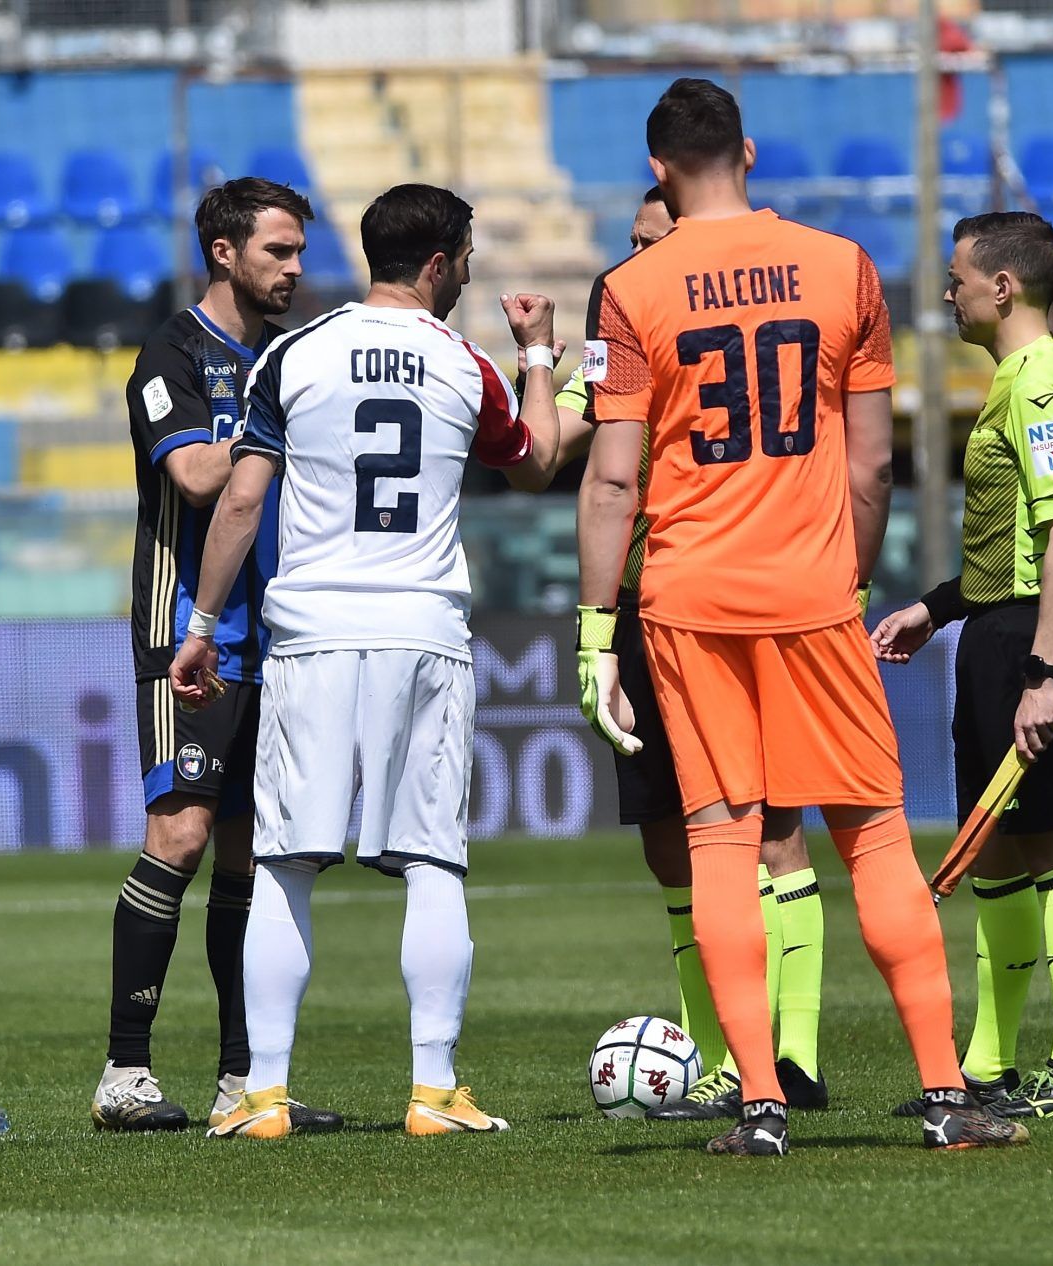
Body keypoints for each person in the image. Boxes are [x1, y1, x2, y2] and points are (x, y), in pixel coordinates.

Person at [575, 77, 1028, 1157]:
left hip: (687, 597)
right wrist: (847, 580)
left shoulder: (634, 288)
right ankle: (941, 1097)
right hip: (812, 592)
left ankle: (760, 1107)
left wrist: (598, 634)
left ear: (656, 171)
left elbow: (608, 483)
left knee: (721, 840)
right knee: (870, 832)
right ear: (751, 150)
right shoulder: (843, 268)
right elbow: (872, 463)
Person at [170, 183, 563, 1139]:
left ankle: (261, 1096)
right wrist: (540, 354)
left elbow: (238, 502)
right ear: (438, 265)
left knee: (284, 865)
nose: (466, 272)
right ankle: (433, 1092)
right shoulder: (465, 364)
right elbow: (540, 459)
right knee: (433, 863)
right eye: (463, 257)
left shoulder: (293, 353)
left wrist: (202, 624)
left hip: (309, 631)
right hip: (423, 629)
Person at [548, 186, 830, 1120]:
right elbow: (564, 433)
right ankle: (718, 1054)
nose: (632, 260)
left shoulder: (711, 309)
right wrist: (539, 360)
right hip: (645, 597)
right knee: (673, 842)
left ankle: (792, 1056)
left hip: (714, 593)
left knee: (769, 827)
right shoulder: (621, 307)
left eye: (650, 239)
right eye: (627, 244)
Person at [93, 177, 342, 1134]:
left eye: (298, 251)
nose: (294, 268)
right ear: (225, 252)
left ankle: (245, 1082)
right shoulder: (173, 354)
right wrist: (267, 424)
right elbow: (198, 476)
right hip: (188, 632)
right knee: (182, 836)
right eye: (278, 251)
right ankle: (125, 1070)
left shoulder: (289, 356)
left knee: (249, 854)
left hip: (279, 632)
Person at [872, 210, 1053, 1120]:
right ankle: (988, 1067)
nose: (947, 293)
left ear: (1002, 287)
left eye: (957, 277)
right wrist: (937, 609)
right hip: (1001, 629)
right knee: (997, 849)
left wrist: (1042, 671)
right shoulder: (1020, 378)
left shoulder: (1043, 383)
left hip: (1030, 640)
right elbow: (1014, 542)